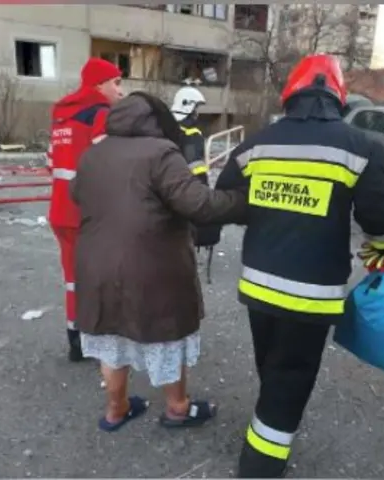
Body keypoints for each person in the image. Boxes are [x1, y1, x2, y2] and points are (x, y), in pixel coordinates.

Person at [215, 54, 384, 478]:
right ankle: (261, 464)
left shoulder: (257, 143)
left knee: (271, 363)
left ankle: (268, 420)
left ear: (291, 93)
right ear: (337, 97)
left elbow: (225, 199)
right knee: (291, 373)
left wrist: (270, 207)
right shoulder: (361, 147)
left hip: (258, 286)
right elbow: (383, 223)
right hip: (311, 294)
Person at [70, 92, 247, 432]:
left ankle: (116, 409)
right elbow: (200, 205)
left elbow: (75, 194)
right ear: (158, 120)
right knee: (167, 335)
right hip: (151, 268)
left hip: (96, 266)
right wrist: (243, 200)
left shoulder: (93, 153)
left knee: (111, 339)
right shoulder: (162, 153)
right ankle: (178, 408)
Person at [48, 57, 124, 362]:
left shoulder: (61, 116)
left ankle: (75, 340)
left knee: (72, 278)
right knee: (100, 278)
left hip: (60, 212)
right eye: (116, 82)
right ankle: (99, 342)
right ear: (99, 85)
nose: (121, 90)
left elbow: (51, 163)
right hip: (88, 216)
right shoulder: (100, 114)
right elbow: (111, 167)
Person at [171, 85, 222, 282]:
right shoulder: (191, 133)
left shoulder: (164, 125)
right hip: (186, 188)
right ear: (189, 107)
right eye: (196, 109)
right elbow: (196, 166)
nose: (197, 113)